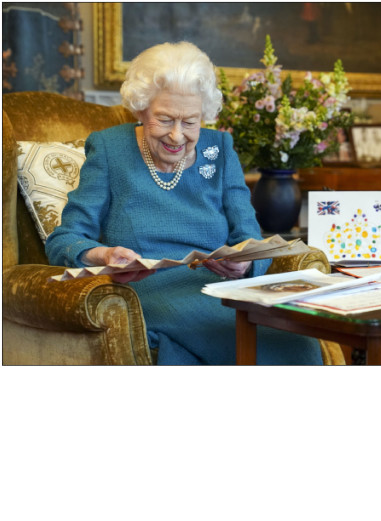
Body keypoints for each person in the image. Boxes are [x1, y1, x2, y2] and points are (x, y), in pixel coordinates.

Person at [45, 41, 322, 365]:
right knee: (272, 341)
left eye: (190, 122)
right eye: (164, 119)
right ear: (141, 108)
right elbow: (63, 241)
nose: (177, 136)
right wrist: (104, 255)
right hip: (148, 291)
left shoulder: (219, 149)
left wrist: (244, 263)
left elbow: (250, 237)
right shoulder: (109, 149)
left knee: (297, 336)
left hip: (221, 290)